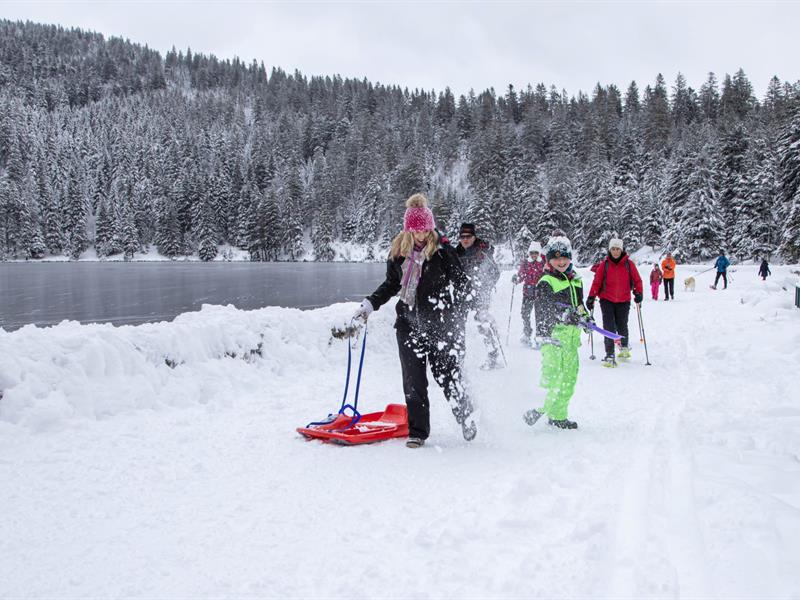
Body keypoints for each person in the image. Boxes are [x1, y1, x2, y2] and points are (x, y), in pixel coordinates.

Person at [353, 193, 475, 449]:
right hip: (408, 325)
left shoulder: (442, 253)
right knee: (413, 381)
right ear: (408, 229)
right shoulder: (399, 254)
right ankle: (418, 432)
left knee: (448, 375)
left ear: (430, 227)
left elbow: (463, 284)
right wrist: (369, 304)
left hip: (441, 325)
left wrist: (463, 312)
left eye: (425, 229)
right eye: (416, 229)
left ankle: (466, 417)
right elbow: (390, 285)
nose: (421, 234)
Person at [523, 231, 587, 430]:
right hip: (553, 338)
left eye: (564, 257)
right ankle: (538, 409)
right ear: (549, 260)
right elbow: (544, 312)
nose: (561, 261)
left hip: (571, 339)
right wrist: (565, 317)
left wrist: (584, 317)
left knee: (569, 378)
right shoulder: (546, 282)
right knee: (554, 377)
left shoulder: (576, 280)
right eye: (556, 258)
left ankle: (558, 415)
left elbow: (579, 306)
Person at [585, 236, 643, 367]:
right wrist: (591, 297)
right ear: (609, 250)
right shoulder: (604, 265)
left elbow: (637, 280)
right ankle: (609, 354)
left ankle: (623, 348)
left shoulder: (629, 264)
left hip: (624, 299)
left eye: (618, 249)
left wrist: (638, 293)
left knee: (622, 324)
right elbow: (597, 282)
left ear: (621, 250)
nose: (615, 251)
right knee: (609, 326)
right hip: (607, 300)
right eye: (613, 249)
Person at [456, 223, 502, 369]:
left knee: (482, 323)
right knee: (458, 326)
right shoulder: (456, 253)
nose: (465, 239)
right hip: (463, 294)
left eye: (468, 236)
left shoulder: (482, 251)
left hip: (480, 293)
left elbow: (495, 272)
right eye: (462, 236)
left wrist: (484, 286)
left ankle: (493, 354)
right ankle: (458, 360)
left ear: (474, 236)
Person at [511, 240, 545, 347]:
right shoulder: (526, 262)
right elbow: (521, 275)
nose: (534, 255)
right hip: (528, 292)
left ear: (539, 253)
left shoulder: (544, 262)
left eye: (536, 253)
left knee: (540, 316)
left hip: (540, 293)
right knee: (525, 314)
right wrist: (516, 279)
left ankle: (540, 336)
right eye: (532, 253)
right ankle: (527, 334)